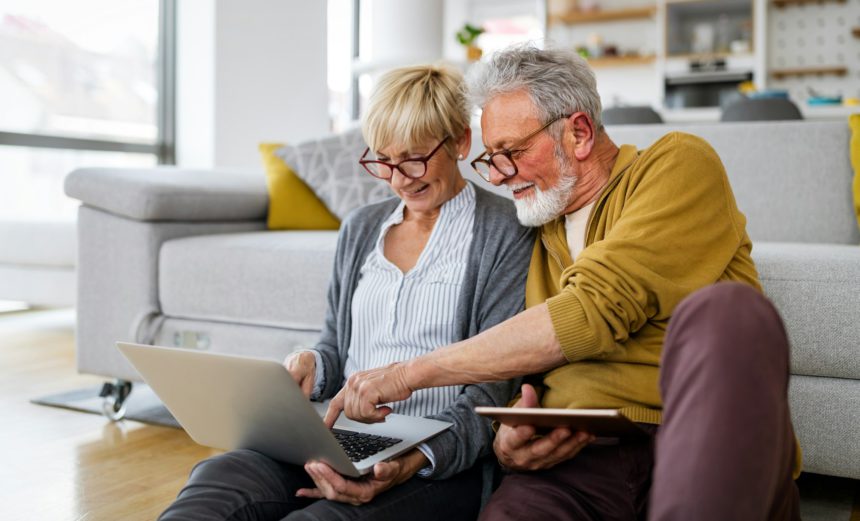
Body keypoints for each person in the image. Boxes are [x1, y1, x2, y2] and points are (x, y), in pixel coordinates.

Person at [324, 45, 801, 520]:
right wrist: (507, 442)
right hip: (575, 462)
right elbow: (515, 368)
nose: (501, 176)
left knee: (730, 313)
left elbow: (592, 310)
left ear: (578, 132)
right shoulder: (534, 225)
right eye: (492, 158)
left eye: (511, 153)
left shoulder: (677, 164)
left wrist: (407, 374)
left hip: (689, 436)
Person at [158, 64, 535, 521]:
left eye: (414, 158)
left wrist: (409, 461)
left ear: (459, 141)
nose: (399, 178)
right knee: (220, 481)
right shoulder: (362, 227)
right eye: (383, 160)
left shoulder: (505, 232)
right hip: (337, 438)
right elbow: (336, 347)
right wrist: (311, 366)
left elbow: (491, 391)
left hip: (435, 463)